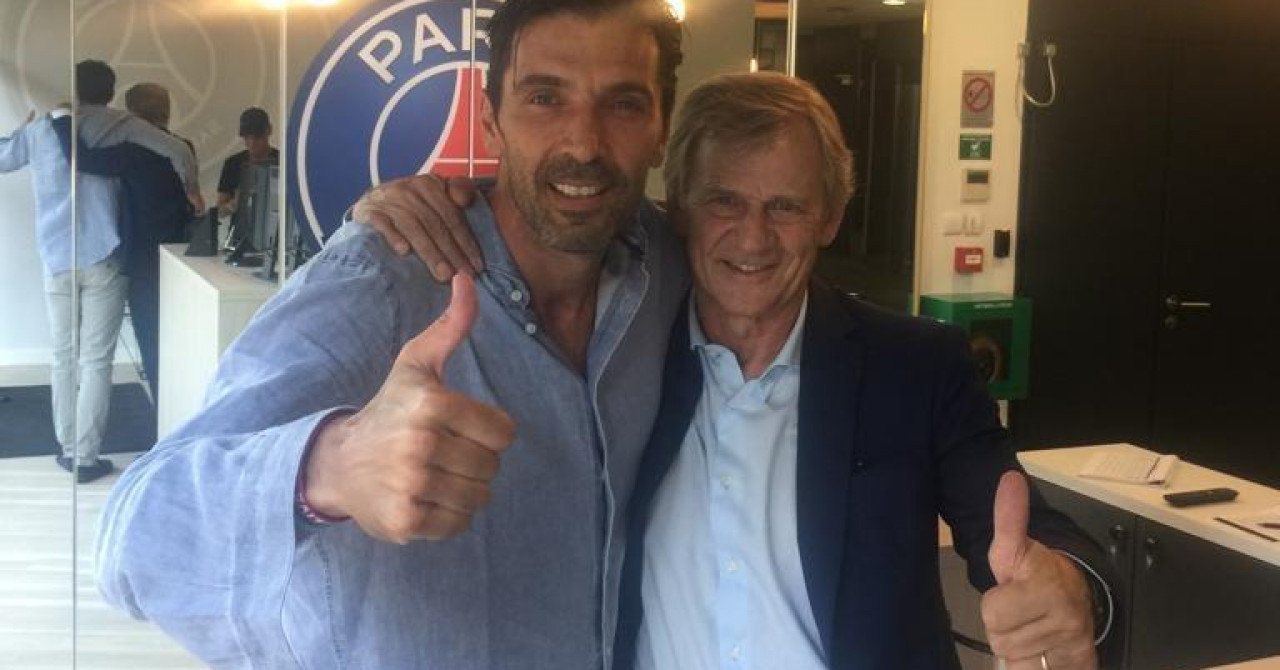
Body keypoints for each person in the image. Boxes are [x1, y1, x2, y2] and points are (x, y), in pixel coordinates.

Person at [356, 75, 1118, 670]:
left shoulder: (915, 365)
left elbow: (1029, 530)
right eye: (724, 200)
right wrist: (412, 201)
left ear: (829, 217)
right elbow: (540, 216)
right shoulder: (619, 352)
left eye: (785, 206)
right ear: (678, 209)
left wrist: (1071, 587)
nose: (753, 238)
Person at [95, 1, 687, 667]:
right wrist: (330, 468)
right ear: (490, 120)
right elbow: (133, 542)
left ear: (662, 130)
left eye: (624, 105)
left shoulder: (665, 264)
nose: (583, 145)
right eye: (545, 98)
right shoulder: (384, 277)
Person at [0, 60, 198, 483]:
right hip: (104, 256)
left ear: (75, 87)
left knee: (62, 356)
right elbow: (177, 150)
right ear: (111, 91)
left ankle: (67, 448)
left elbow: (1, 159)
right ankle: (85, 457)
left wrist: (22, 129)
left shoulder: (41, 130)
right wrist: (193, 187)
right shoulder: (121, 124)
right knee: (95, 360)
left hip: (56, 257)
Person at [51, 82, 199, 400]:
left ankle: (163, 410)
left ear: (133, 114)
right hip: (181, 254)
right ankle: (177, 403)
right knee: (177, 336)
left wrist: (62, 119)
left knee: (151, 339)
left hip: (144, 259)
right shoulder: (182, 146)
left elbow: (83, 160)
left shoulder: (134, 150)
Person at [216, 106, 279, 217]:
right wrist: (235, 203)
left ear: (269, 130)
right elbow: (219, 212)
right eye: (247, 138)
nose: (252, 143)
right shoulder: (232, 164)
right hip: (242, 225)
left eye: (257, 137)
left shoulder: (283, 161)